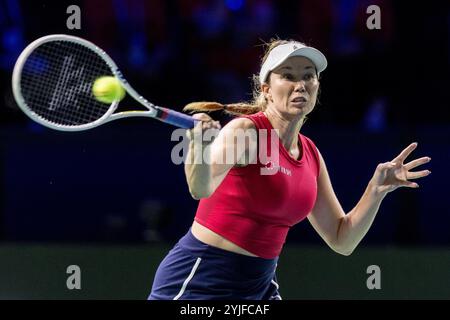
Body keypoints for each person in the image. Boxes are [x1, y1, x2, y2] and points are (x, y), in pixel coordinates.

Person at [148, 39, 431, 300]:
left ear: (317, 86)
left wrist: (376, 189)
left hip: (259, 286)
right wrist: (198, 146)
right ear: (267, 90)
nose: (301, 84)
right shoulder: (247, 131)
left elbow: (341, 239)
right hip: (202, 281)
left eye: (308, 75)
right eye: (289, 76)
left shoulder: (310, 154)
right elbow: (200, 188)